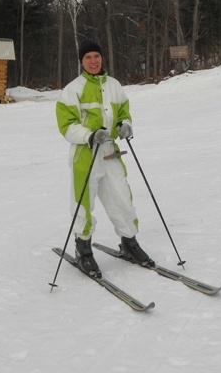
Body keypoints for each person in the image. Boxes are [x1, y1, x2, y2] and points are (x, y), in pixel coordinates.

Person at [55, 39, 153, 278]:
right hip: (85, 153)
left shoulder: (114, 85)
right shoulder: (72, 89)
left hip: (110, 150)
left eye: (96, 56)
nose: (93, 61)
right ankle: (83, 249)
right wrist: (89, 135)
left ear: (102, 58)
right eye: (88, 57)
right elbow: (67, 125)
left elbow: (124, 112)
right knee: (83, 203)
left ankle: (129, 242)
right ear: (81, 61)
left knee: (122, 197)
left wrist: (124, 125)